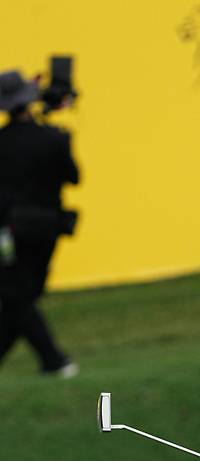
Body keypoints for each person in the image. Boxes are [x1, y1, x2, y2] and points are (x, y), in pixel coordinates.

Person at [0, 69, 79, 376]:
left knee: (17, 297)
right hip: (47, 229)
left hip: (11, 230)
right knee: (20, 297)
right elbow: (73, 177)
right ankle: (53, 360)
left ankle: (55, 361)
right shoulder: (54, 138)